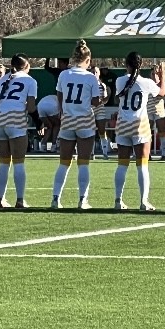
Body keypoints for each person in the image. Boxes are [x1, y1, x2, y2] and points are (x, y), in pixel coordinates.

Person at [51, 40, 102, 209]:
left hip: (67, 120)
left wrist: (62, 111)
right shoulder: (90, 77)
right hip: (85, 121)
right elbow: (95, 101)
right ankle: (82, 200)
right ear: (87, 60)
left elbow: (59, 95)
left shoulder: (64, 74)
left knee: (64, 162)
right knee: (83, 162)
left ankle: (56, 199)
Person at [113, 52, 165, 211]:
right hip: (140, 125)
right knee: (142, 165)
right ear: (140, 65)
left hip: (123, 125)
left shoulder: (119, 80)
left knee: (122, 165)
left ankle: (118, 200)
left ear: (126, 64)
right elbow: (162, 93)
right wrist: (162, 77)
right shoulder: (147, 82)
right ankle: (143, 201)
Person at [0, 53, 42, 209]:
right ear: (27, 66)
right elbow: (31, 107)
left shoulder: (2, 80)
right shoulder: (30, 81)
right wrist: (39, 122)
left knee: (4, 162)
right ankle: (20, 200)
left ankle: (0, 199)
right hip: (16, 120)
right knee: (19, 162)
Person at [147, 65, 165, 159]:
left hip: (159, 111)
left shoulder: (163, 85)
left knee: (161, 132)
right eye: (152, 73)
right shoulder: (147, 84)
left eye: (156, 73)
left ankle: (163, 154)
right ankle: (147, 153)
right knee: (147, 133)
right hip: (148, 110)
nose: (154, 75)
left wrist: (161, 93)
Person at [92, 66, 111, 159]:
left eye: (96, 72)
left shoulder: (102, 85)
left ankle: (105, 153)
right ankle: (91, 153)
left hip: (100, 109)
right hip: (90, 109)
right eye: (92, 72)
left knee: (102, 131)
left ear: (99, 73)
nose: (94, 74)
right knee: (90, 131)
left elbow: (104, 101)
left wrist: (108, 96)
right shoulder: (88, 84)